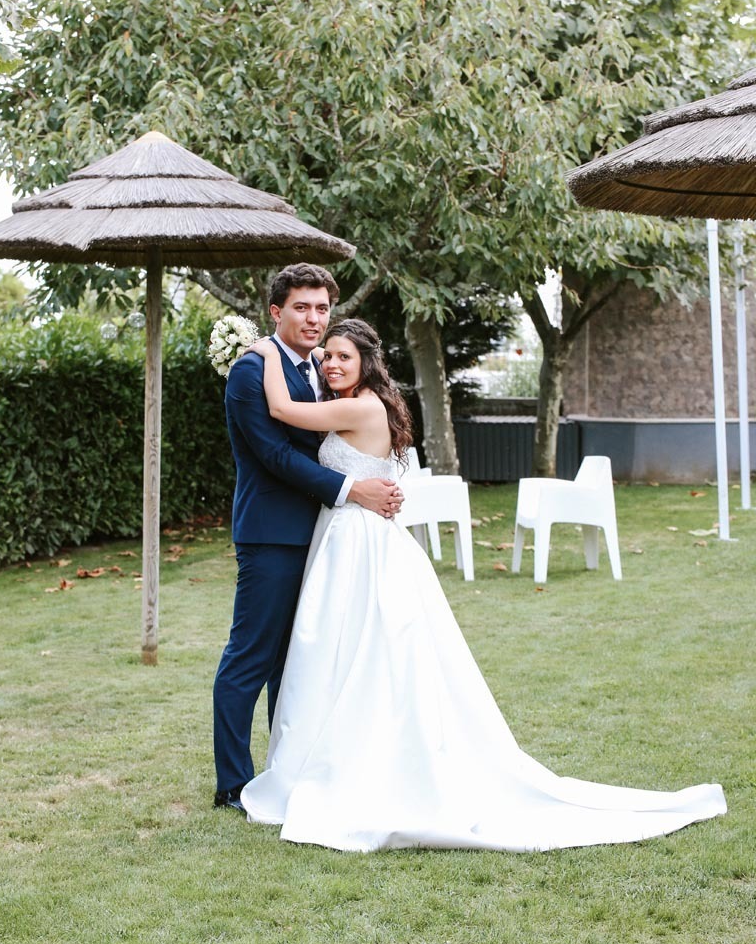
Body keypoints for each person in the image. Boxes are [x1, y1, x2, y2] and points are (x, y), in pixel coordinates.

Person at [239, 318, 726, 852]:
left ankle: (358, 763)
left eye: (343, 357)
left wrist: (267, 352)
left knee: (358, 648)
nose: (331, 363)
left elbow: (282, 409)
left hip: (359, 544)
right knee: (340, 649)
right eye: (328, 356)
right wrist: (311, 362)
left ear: (367, 363)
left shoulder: (361, 407)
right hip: (348, 537)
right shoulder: (359, 401)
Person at [212, 266, 404, 813]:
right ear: (276, 312)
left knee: (299, 661)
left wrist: (373, 478)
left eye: (322, 308)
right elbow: (275, 455)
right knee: (251, 657)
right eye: (302, 307)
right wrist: (354, 489)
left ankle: (290, 769)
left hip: (326, 537)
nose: (314, 318)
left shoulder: (323, 368)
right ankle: (232, 783)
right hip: (273, 534)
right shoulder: (251, 370)